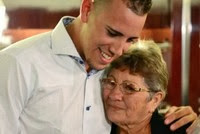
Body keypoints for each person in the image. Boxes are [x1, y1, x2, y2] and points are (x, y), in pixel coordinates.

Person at [0, 0, 197, 133]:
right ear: (86, 9)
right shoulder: (16, 63)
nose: (119, 50)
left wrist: (189, 124)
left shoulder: (115, 66)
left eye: (130, 39)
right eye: (112, 33)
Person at [102, 40, 192, 134]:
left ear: (155, 100)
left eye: (129, 88)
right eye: (111, 82)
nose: (114, 95)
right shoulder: (95, 125)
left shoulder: (181, 130)